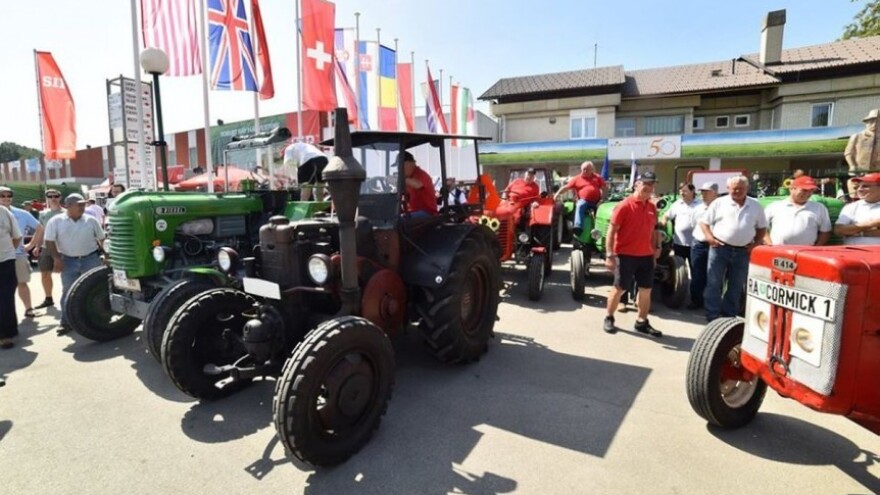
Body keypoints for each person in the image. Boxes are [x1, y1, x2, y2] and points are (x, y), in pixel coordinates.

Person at [602, 171, 663, 338]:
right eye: (646, 184)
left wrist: (657, 247)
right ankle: (609, 317)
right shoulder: (624, 206)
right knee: (619, 288)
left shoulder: (651, 207)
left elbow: (654, 230)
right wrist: (609, 255)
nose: (649, 187)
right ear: (636, 184)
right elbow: (611, 232)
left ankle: (641, 322)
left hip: (646, 256)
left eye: (652, 184)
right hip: (625, 255)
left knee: (646, 290)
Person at [699, 175, 767, 322]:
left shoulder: (755, 205)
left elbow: (762, 227)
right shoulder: (719, 203)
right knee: (714, 282)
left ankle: (728, 316)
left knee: (736, 285)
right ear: (728, 189)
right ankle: (712, 315)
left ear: (747, 189)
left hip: (743, 251)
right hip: (720, 249)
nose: (737, 191)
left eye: (741, 188)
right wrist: (710, 238)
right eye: (734, 188)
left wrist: (756, 243)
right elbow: (704, 223)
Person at [44, 193, 105, 336]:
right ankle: (66, 322)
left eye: (83, 204)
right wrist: (56, 259)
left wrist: (107, 255)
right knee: (68, 292)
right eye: (79, 204)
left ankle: (97, 319)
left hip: (91, 259)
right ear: (68, 206)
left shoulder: (91, 220)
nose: (83, 207)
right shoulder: (55, 221)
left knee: (95, 289)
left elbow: (102, 239)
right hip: (68, 261)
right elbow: (49, 241)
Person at [0, 187, 43, 319]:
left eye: (9, 195)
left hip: (17, 255)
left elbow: (40, 228)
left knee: (22, 283)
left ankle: (29, 309)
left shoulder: (22, 213)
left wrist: (30, 245)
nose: (6, 198)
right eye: (2, 195)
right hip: (1, 257)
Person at [764, 176, 832, 246]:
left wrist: (817, 247)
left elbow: (825, 231)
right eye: (804, 190)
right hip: (778, 251)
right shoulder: (774, 206)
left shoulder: (819, 208)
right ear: (792, 189)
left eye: (811, 190)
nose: (808, 194)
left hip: (806, 252)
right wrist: (770, 244)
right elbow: (762, 227)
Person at [32, 189, 65, 310]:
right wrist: (37, 246)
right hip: (46, 248)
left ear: (60, 197)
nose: (53, 198)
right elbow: (41, 231)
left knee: (66, 274)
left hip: (63, 248)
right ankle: (48, 298)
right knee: (45, 274)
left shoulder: (65, 213)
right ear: (47, 198)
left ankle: (68, 297)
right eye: (50, 196)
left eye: (56, 196)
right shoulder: (43, 214)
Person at [688, 182, 719, 310]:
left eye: (707, 192)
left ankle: (713, 303)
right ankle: (696, 300)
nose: (703, 194)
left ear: (715, 193)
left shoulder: (721, 208)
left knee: (715, 275)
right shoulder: (697, 209)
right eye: (702, 192)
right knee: (697, 274)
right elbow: (692, 224)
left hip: (716, 245)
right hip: (699, 245)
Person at [554, 161, 606, 235]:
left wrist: (602, 199)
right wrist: (557, 194)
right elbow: (566, 187)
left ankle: (601, 232)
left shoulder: (597, 177)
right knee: (580, 205)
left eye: (586, 170)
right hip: (584, 201)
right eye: (583, 169)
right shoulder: (577, 179)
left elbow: (604, 188)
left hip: (597, 202)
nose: (584, 171)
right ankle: (578, 227)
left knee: (604, 211)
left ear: (592, 170)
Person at [0, 191, 22, 349]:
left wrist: (8, 252)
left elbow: (17, 236)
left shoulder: (4, 213)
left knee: (6, 298)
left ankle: (7, 333)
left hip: (5, 261)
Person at [833, 172, 880, 245]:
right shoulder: (851, 207)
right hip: (853, 252)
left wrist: (854, 231)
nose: (859, 190)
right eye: (857, 187)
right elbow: (839, 230)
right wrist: (873, 223)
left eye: (865, 186)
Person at [660, 183, 700, 265]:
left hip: (696, 244)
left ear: (692, 191)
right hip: (679, 244)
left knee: (696, 269)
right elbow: (666, 216)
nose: (682, 193)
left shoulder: (700, 204)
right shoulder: (677, 204)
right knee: (679, 268)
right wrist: (662, 223)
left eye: (685, 191)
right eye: (680, 191)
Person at [400, 151, 438, 218]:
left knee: (401, 221)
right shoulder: (408, 178)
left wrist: (398, 180)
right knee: (394, 218)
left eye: (401, 166)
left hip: (427, 213)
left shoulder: (421, 174)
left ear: (410, 164)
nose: (400, 169)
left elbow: (418, 185)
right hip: (414, 211)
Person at [844, 109, 880, 176]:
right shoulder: (857, 136)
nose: (874, 125)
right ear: (867, 123)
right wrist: (852, 165)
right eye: (871, 122)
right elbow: (848, 153)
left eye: (878, 122)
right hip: (861, 172)